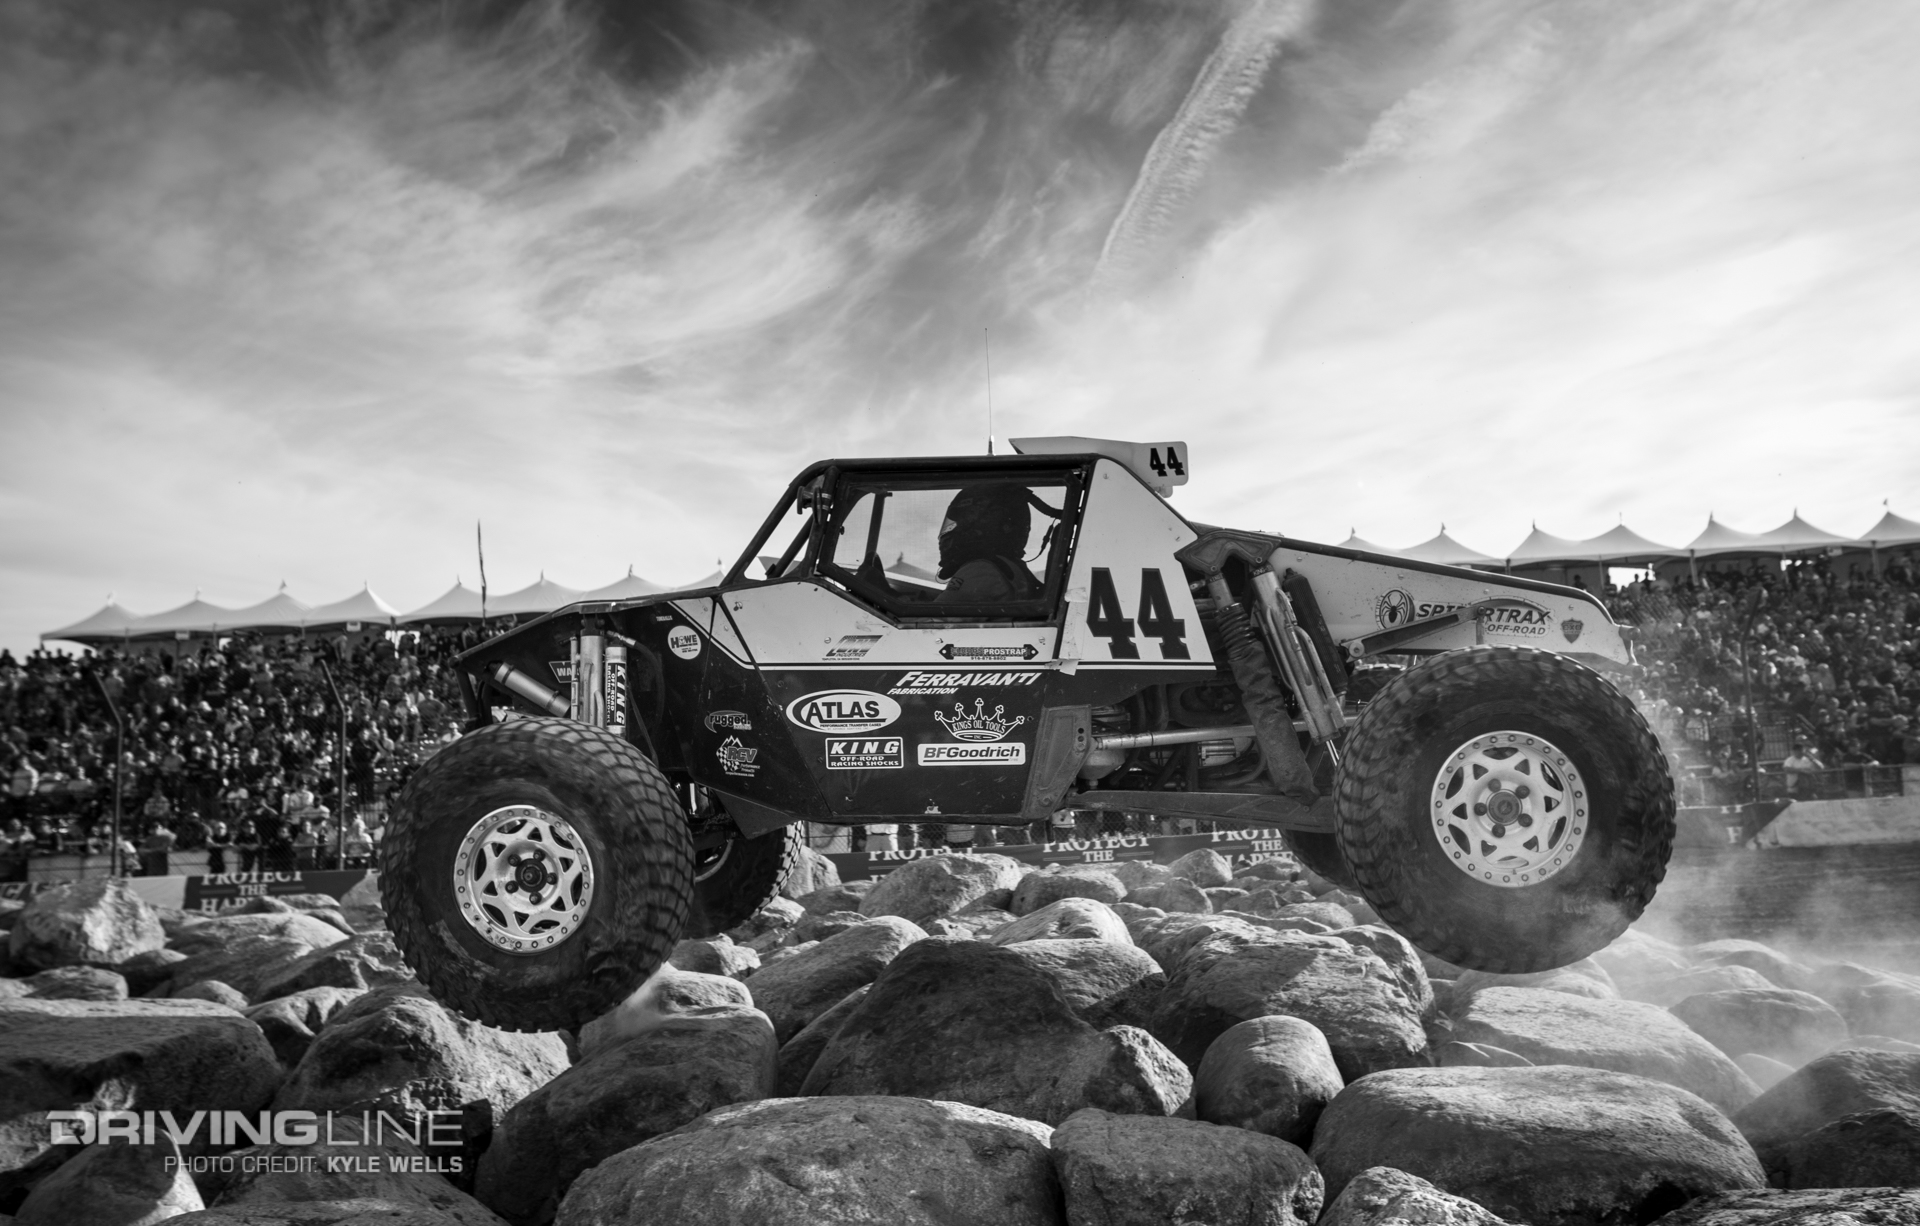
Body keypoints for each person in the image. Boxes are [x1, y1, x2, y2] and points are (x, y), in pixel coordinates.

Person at [935, 485, 1042, 603]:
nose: (956, 530)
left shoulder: (981, 569)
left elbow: (940, 620)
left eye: (964, 522)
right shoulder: (1007, 567)